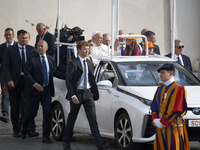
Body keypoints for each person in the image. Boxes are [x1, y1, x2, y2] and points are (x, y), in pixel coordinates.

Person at [63, 41, 109, 150]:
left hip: (88, 94)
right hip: (77, 94)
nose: (87, 51)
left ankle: (99, 144)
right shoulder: (73, 63)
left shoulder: (89, 61)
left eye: (88, 49)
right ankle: (66, 142)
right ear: (79, 50)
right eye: (85, 49)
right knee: (72, 118)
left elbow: (91, 80)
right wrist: (73, 95)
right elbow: (68, 81)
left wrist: (94, 96)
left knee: (92, 119)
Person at [21, 40, 57, 143]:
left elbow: (54, 71)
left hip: (46, 90)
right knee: (31, 113)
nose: (40, 48)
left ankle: (46, 137)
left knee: (47, 113)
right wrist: (35, 84)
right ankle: (24, 128)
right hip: (33, 91)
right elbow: (27, 74)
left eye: (42, 46)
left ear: (47, 48)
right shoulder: (32, 59)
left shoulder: (50, 59)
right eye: (38, 46)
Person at [4, 29, 38, 138]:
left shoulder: (32, 50)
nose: (24, 40)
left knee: (28, 106)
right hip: (14, 82)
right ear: (17, 38)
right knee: (15, 107)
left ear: (29, 39)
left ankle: (28, 129)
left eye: (26, 38)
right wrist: (8, 79)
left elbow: (35, 66)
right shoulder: (10, 50)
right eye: (22, 38)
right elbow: (6, 66)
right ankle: (16, 129)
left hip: (27, 81)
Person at [151, 63, 190, 150]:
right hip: (160, 123)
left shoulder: (178, 88)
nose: (160, 75)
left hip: (173, 124)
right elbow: (154, 104)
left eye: (163, 73)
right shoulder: (160, 87)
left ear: (170, 74)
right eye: (160, 72)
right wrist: (155, 119)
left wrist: (163, 121)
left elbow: (177, 109)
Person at [0, 28, 16, 123]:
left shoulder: (18, 46)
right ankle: (5, 114)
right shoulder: (1, 47)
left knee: (16, 95)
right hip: (4, 74)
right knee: (5, 94)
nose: (8, 36)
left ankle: (16, 114)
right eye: (6, 35)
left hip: (16, 75)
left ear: (13, 36)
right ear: (4, 36)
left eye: (10, 34)